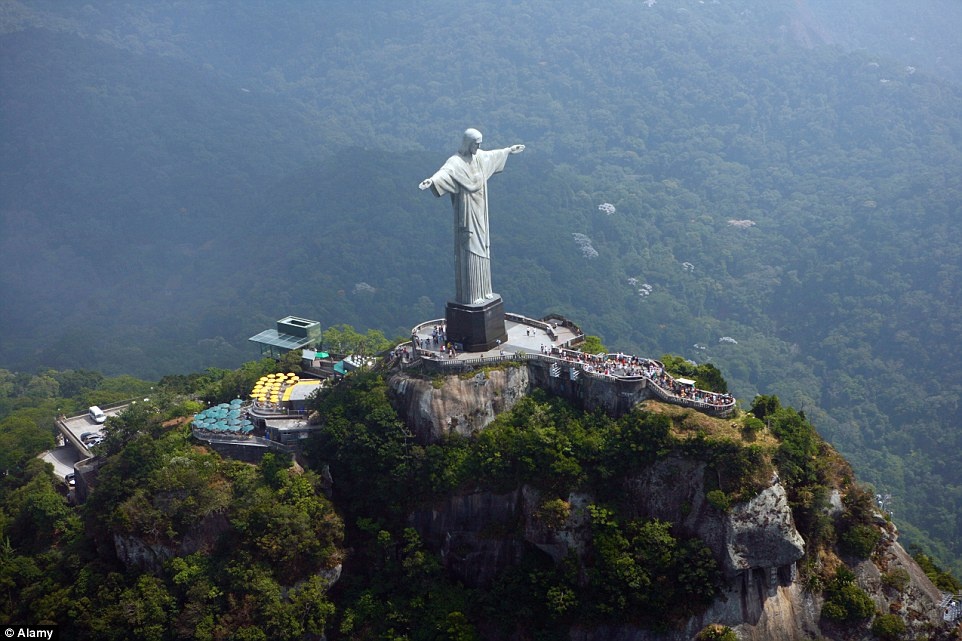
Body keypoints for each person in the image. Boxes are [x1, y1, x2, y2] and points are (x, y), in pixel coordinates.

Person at [420, 128, 524, 305]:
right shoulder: (456, 162)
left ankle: (485, 290)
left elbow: (493, 155)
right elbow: (445, 172)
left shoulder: (480, 158)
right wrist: (432, 180)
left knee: (483, 247)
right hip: (466, 213)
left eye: (480, 143)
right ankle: (471, 295)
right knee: (469, 249)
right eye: (476, 144)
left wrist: (508, 150)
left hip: (480, 210)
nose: (478, 146)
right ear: (468, 143)